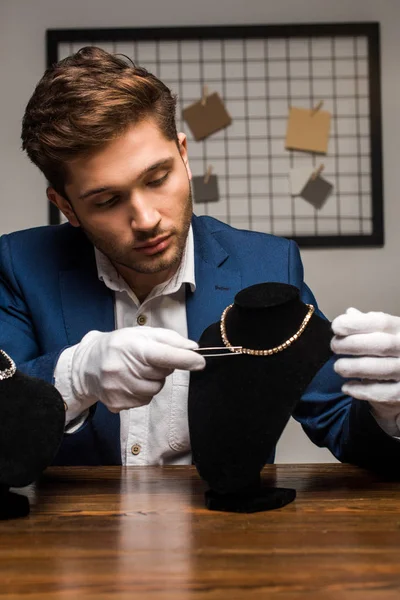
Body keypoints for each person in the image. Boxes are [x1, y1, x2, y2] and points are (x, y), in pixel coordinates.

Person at [1, 46, 399, 469]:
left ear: (184, 156)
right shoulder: (20, 266)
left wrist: (390, 411)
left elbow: (340, 422)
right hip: (73, 533)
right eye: (107, 200)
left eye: (158, 178)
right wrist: (74, 377)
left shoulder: (267, 265)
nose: (146, 219)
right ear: (65, 206)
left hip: (222, 528)